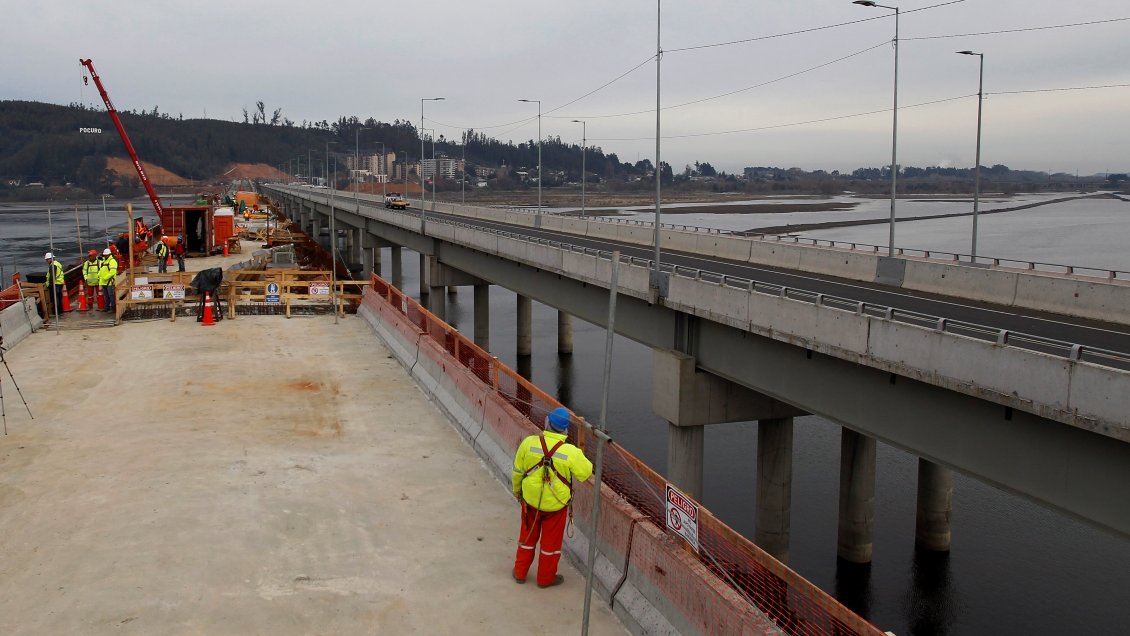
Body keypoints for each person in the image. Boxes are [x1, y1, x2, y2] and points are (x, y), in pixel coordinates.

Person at [511, 406, 593, 588]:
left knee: (527, 537)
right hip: (556, 506)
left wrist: (518, 491)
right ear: (565, 430)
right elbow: (586, 472)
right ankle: (545, 579)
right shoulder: (570, 452)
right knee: (550, 545)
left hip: (530, 502)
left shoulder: (529, 443)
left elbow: (517, 472)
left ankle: (520, 572)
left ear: (547, 422)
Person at [99, 247, 118, 312]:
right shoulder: (103, 261)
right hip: (104, 282)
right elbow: (101, 270)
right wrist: (99, 276)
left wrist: (105, 278)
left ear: (109, 254)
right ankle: (106, 307)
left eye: (106, 255)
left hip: (110, 282)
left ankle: (113, 308)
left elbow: (112, 272)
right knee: (106, 296)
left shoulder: (112, 261)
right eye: (104, 255)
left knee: (111, 295)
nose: (105, 256)